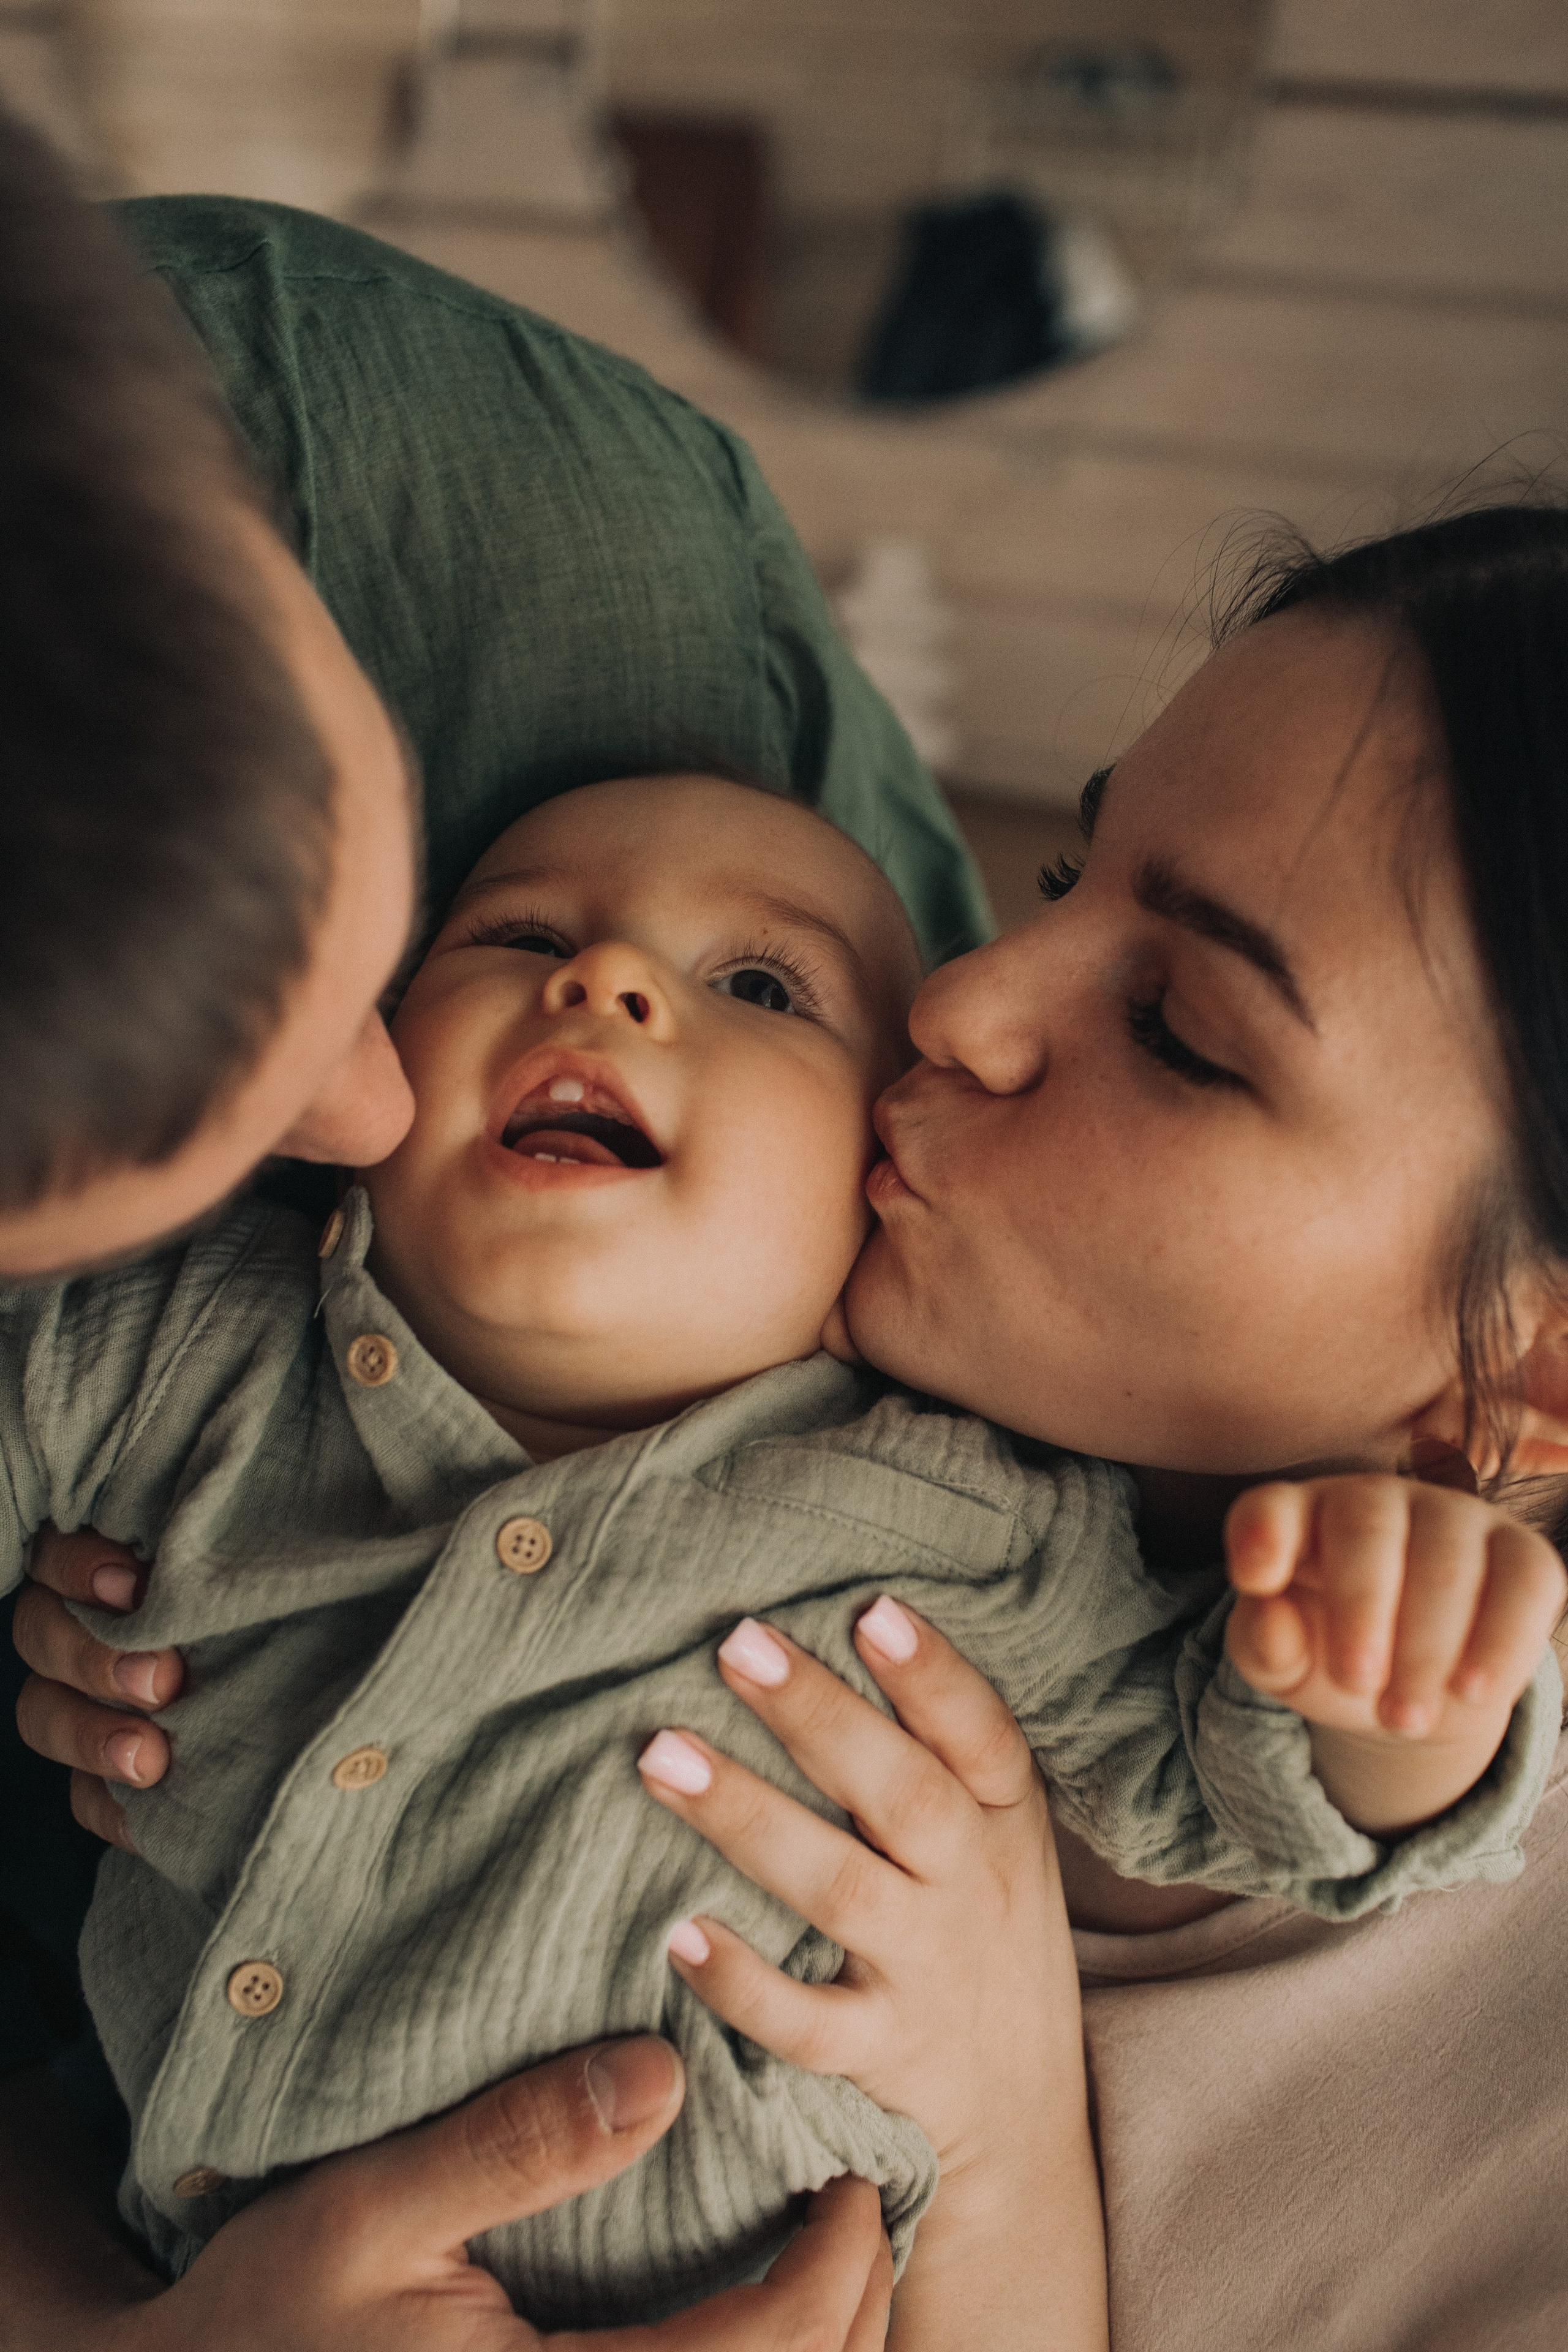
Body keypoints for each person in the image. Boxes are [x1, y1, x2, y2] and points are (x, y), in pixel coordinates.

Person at [12, 769, 1559, 2341]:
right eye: (514, 933)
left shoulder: (961, 1524)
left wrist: (1398, 1679)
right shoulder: (187, 1348)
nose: (597, 981)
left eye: (757, 986)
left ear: (867, 1199)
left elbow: (1219, 1781)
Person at [0, 100, 985, 2350]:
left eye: (398, 910)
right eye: (201, 1127)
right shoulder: (162, 1376)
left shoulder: (478, 500)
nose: (371, 1111)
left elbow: (1239, 1771)